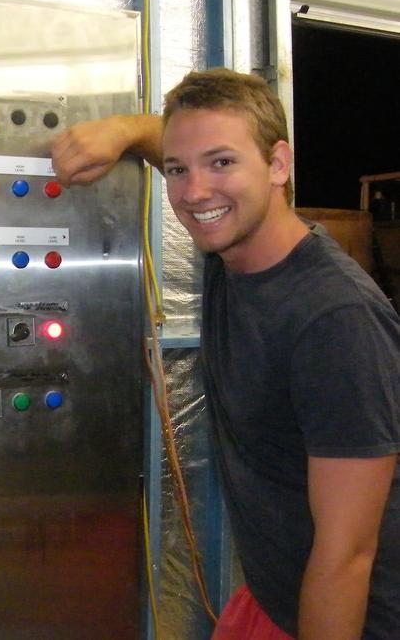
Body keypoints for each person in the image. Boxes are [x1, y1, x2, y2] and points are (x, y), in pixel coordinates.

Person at [51, 68, 400, 640]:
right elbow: (181, 143)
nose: (194, 193)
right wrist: (119, 129)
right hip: (271, 593)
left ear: (278, 165)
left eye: (223, 163)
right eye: (177, 170)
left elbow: (347, 557)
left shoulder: (335, 323)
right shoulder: (233, 250)